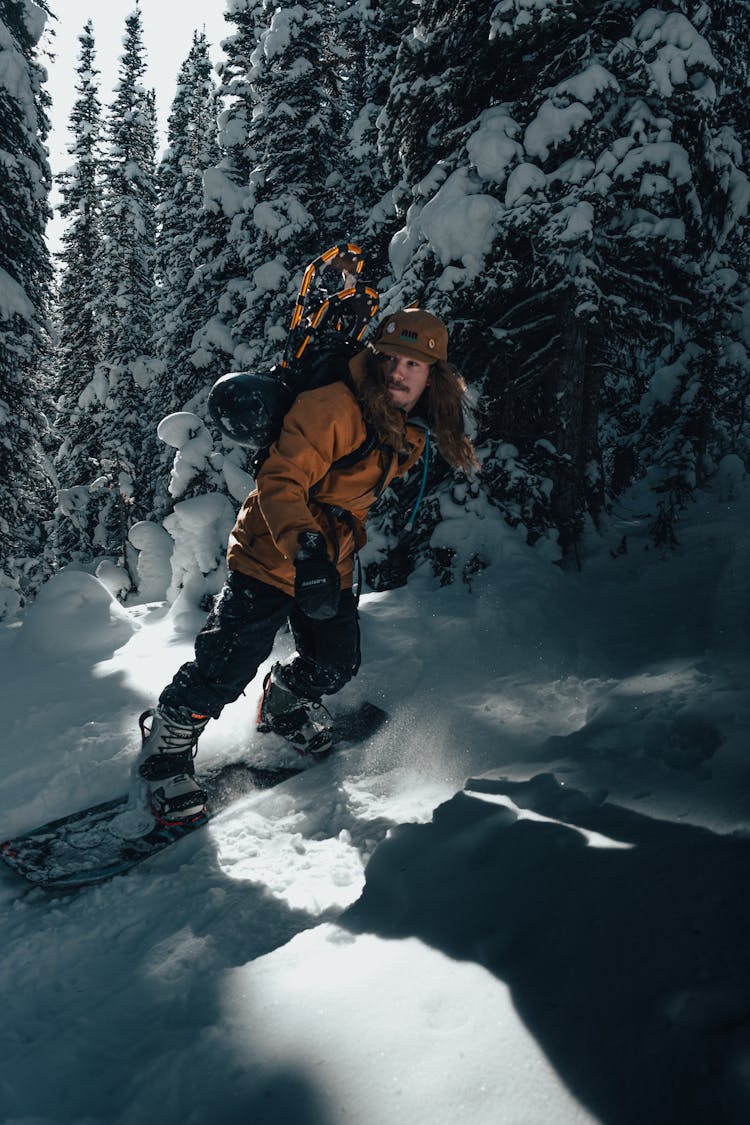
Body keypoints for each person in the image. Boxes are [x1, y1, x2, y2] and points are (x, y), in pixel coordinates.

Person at [138, 307, 477, 823]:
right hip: (270, 554)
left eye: (413, 364)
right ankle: (166, 745)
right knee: (225, 666)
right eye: (390, 358)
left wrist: (325, 557)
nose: (397, 372)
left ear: (434, 374)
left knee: (336, 662)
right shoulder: (334, 408)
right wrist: (306, 551)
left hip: (331, 560)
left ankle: (283, 703)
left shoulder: (408, 424)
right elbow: (281, 481)